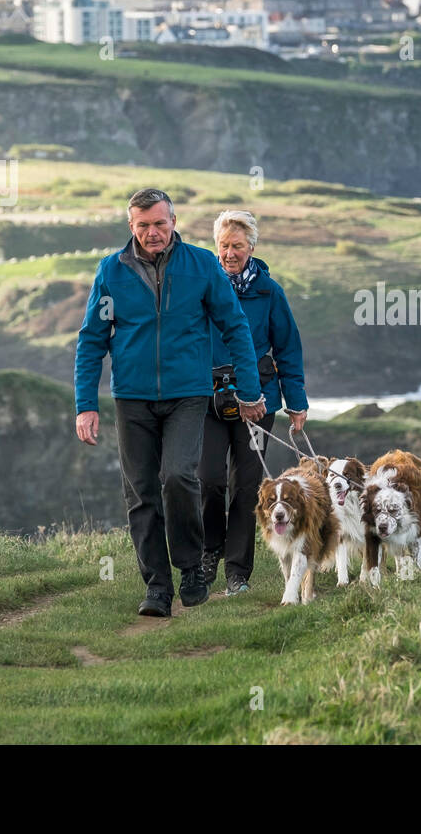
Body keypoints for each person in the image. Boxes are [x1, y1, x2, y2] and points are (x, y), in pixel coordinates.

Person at [74, 188, 266, 617]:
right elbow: (91, 341)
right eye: (143, 225)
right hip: (132, 398)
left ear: (173, 222)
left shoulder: (201, 266)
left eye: (160, 223)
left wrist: (250, 390)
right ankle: (157, 587)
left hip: (188, 395)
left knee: (180, 477)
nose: (152, 232)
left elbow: (235, 326)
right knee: (141, 491)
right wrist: (86, 404)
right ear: (131, 227)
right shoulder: (111, 271)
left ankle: (191, 569)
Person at [200, 210, 309, 596]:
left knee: (246, 486)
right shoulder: (201, 285)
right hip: (207, 401)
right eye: (224, 246)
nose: (230, 253)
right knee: (208, 480)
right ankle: (209, 551)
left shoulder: (269, 292)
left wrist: (296, 403)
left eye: (238, 246)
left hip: (259, 404)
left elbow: (288, 349)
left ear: (252, 247)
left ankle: (237, 573)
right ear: (217, 246)